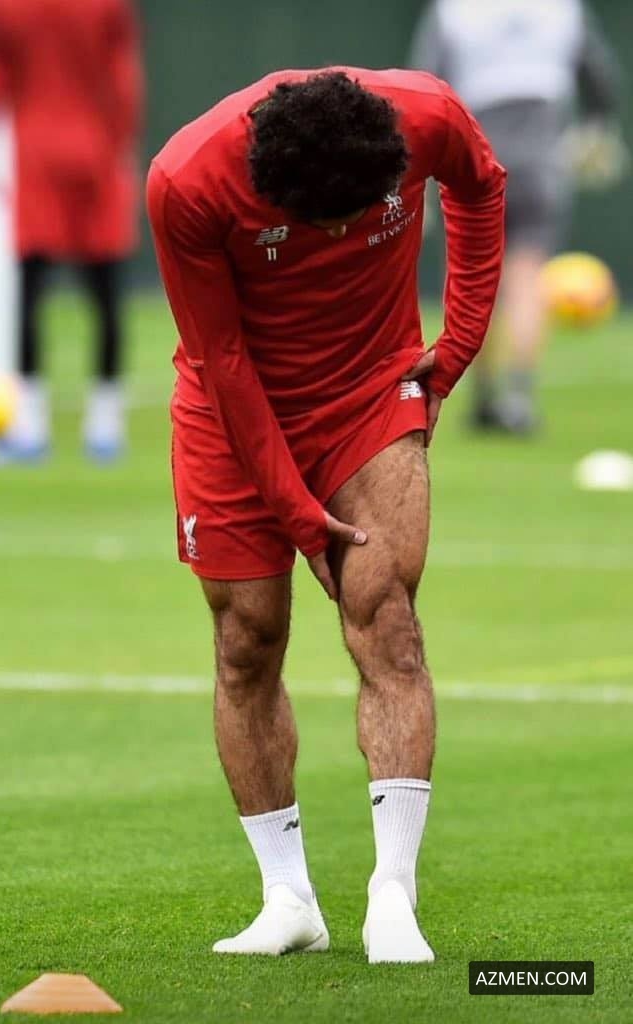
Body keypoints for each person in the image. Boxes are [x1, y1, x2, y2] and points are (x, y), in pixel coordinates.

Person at [148, 68, 505, 962]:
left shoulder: (426, 114)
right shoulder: (186, 180)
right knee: (247, 639)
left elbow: (481, 187)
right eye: (324, 223)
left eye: (360, 216)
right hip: (234, 407)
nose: (345, 234)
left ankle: (393, 893)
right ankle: (288, 899)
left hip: (370, 390)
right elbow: (221, 359)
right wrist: (296, 513)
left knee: (387, 623)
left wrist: (457, 345)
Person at [410, 0, 622, 433]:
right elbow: (601, 76)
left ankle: (483, 393)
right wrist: (597, 127)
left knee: (475, 273)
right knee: (527, 271)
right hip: (540, 149)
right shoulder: (561, 9)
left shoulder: (454, 10)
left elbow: (422, 84)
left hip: (475, 145)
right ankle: (519, 393)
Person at [0, 0, 144, 459]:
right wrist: (121, 143)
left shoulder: (5, 7)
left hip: (36, 153)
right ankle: (105, 427)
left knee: (30, 290)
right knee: (106, 292)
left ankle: (30, 427)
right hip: (97, 153)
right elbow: (123, 77)